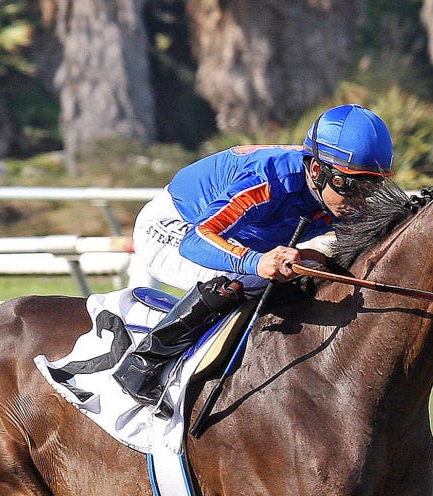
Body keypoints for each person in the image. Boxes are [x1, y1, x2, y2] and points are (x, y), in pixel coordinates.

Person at [113, 103, 395, 409]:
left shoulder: (343, 196)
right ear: (317, 170)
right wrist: (256, 262)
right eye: (348, 185)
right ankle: (142, 364)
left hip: (233, 237)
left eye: (371, 186)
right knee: (242, 279)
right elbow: (195, 240)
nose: (360, 200)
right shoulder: (267, 180)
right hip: (176, 227)